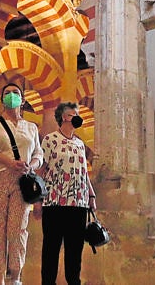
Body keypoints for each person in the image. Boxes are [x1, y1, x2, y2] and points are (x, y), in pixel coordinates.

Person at [0, 83, 44, 285]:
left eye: (15, 93)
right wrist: (10, 162)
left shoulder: (31, 127)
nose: (11, 95)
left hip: (22, 181)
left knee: (18, 229)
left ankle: (16, 278)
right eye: (7, 93)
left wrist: (31, 166)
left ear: (22, 100)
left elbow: (39, 153)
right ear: (1, 99)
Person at [39, 101, 95, 285]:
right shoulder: (50, 139)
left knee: (75, 249)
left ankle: (74, 282)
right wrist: (38, 201)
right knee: (51, 248)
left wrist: (91, 195)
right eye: (73, 114)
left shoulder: (80, 144)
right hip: (54, 202)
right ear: (64, 117)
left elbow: (83, 172)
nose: (77, 117)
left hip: (78, 203)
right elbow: (42, 169)